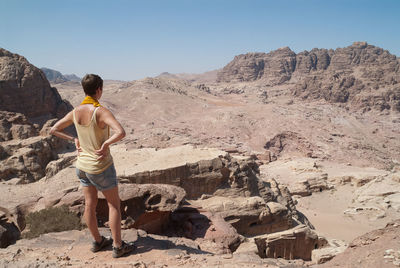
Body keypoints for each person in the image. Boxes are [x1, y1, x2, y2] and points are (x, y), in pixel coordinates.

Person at [50, 74, 134, 258]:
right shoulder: (100, 111)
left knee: (89, 204)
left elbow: (53, 129)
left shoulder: (75, 111)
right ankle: (118, 247)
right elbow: (121, 132)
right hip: (100, 167)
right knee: (114, 205)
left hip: (82, 167)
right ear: (98, 90)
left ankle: (97, 241)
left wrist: (74, 139)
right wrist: (105, 144)